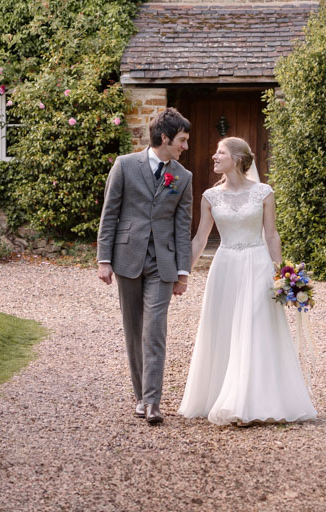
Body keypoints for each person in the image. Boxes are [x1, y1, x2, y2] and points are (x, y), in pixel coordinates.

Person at [178, 136, 317, 426]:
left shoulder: (264, 192)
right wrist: (182, 273)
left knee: (253, 327)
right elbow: (200, 239)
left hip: (257, 264)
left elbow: (271, 235)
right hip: (225, 267)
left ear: (238, 159)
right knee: (227, 327)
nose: (213, 157)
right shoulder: (210, 197)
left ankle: (249, 401)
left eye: (221, 153)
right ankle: (224, 396)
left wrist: (282, 276)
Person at [97, 108, 193, 425]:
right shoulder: (124, 166)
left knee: (155, 331)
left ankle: (153, 402)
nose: (185, 146)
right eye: (182, 139)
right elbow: (110, 214)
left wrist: (183, 272)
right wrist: (104, 259)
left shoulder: (182, 176)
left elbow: (183, 228)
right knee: (133, 330)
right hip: (127, 258)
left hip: (163, 264)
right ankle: (139, 396)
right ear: (164, 138)